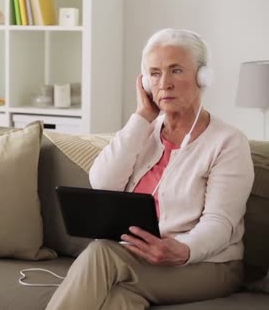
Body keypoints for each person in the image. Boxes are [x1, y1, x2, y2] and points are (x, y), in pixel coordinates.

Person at [46, 28, 255, 309]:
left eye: (176, 70)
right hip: (140, 259)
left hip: (209, 265)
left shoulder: (228, 142)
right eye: (155, 73)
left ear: (202, 77)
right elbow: (103, 183)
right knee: (119, 300)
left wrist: (182, 249)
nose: (164, 83)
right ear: (144, 81)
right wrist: (142, 116)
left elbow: (220, 222)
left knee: (101, 252)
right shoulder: (143, 131)